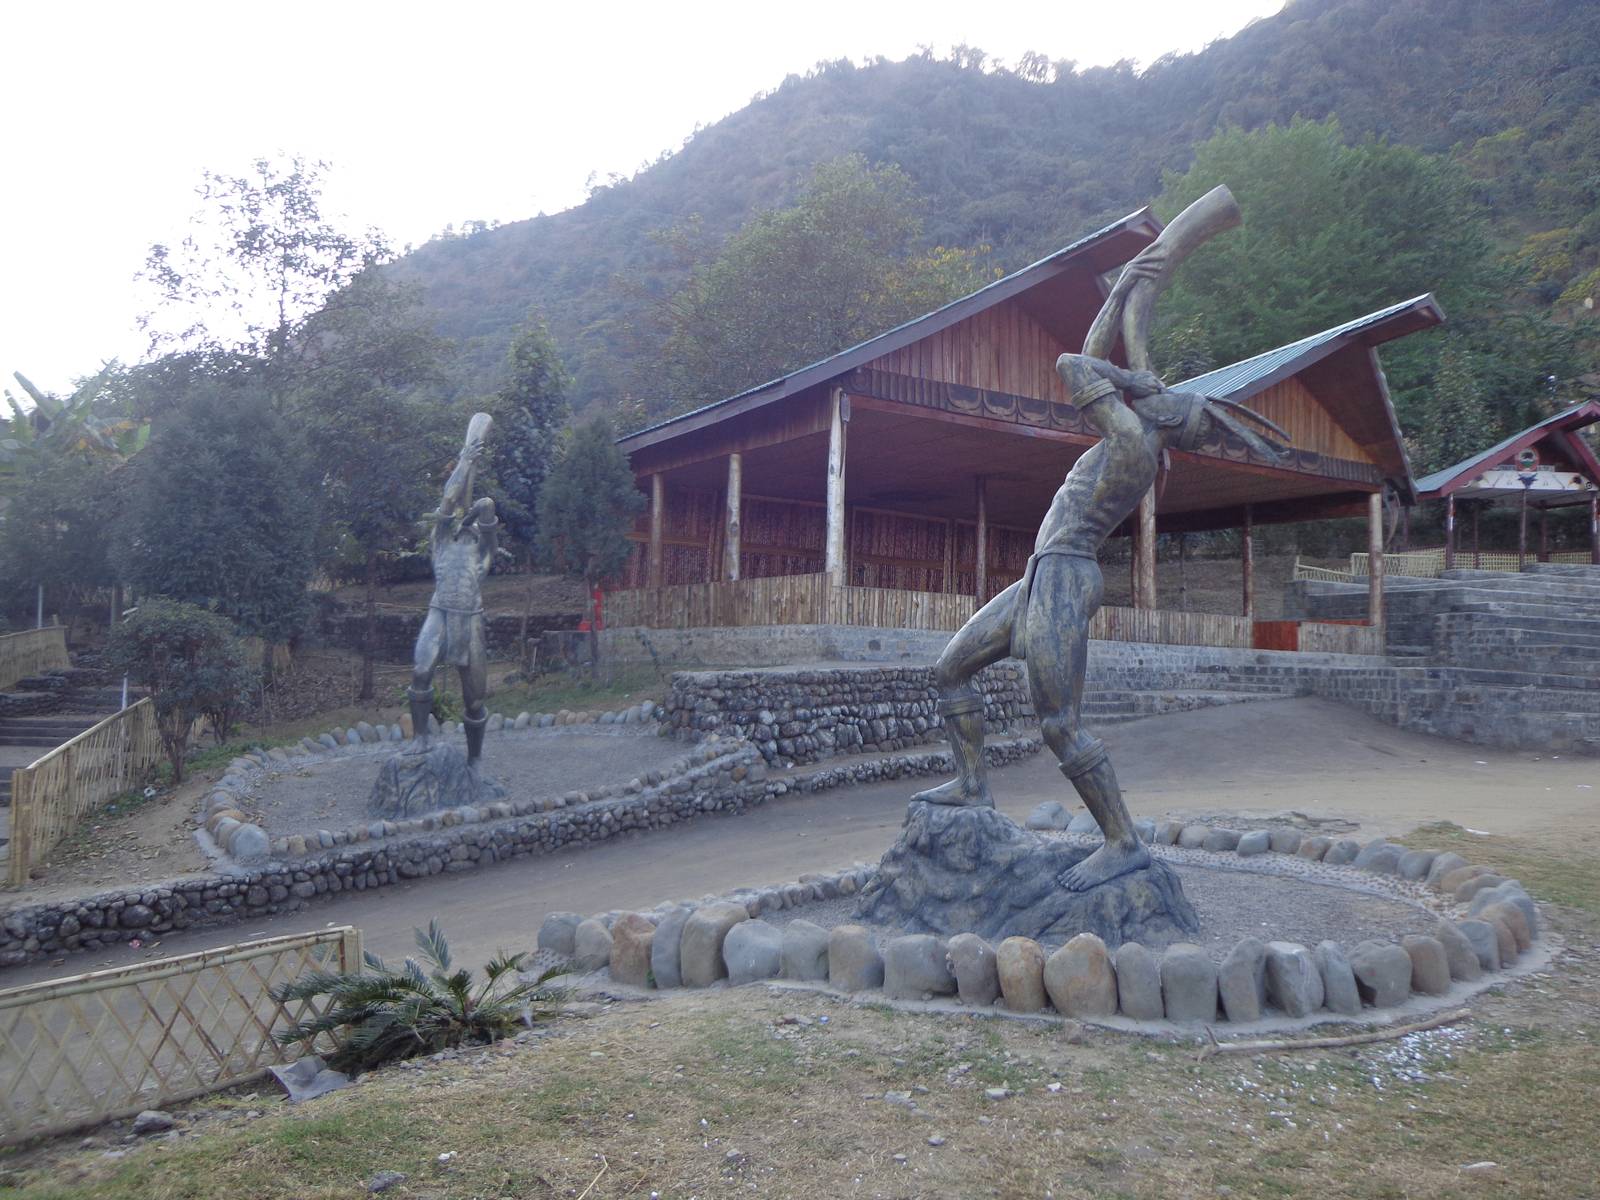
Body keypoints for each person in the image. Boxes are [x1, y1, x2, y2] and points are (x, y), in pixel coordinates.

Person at [912, 201, 1290, 891]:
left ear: (1170, 417)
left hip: (1064, 578)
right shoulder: (1128, 434)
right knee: (950, 671)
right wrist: (1125, 289)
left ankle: (1121, 842)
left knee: (1059, 724)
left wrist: (1129, 374)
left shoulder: (1132, 449)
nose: (1160, 392)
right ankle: (971, 786)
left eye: (1170, 396)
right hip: (1040, 576)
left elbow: (1072, 364)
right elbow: (1090, 355)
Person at [409, 413, 498, 764]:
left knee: (475, 699)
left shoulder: (483, 554)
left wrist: (477, 511)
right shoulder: (442, 541)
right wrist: (465, 459)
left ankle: (474, 759)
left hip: (470, 620)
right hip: (440, 612)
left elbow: (489, 511)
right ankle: (420, 739)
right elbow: (447, 502)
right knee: (420, 671)